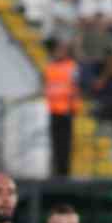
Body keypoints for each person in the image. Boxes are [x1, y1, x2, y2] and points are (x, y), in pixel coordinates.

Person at [44, 41, 80, 178]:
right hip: (53, 109)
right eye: (58, 50)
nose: (60, 53)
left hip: (66, 109)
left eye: (62, 50)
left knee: (65, 143)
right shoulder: (50, 67)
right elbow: (48, 86)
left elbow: (75, 87)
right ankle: (56, 170)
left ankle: (64, 172)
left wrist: (72, 107)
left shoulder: (72, 66)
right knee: (55, 142)